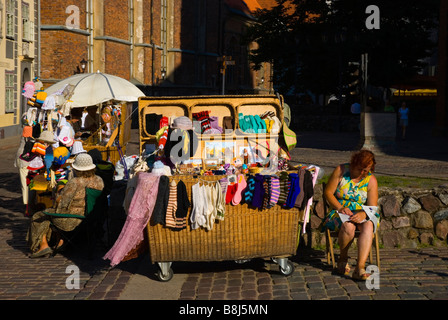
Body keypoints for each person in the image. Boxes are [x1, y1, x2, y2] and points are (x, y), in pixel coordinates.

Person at [26, 153, 104, 258]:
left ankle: (43, 245)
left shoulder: (75, 182)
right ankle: (60, 242)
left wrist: (59, 191)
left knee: (39, 215)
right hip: (92, 218)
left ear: (77, 169)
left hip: (73, 219)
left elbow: (61, 203)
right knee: (50, 213)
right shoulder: (99, 180)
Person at [321, 149, 379, 281]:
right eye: (361, 169)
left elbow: (372, 206)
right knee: (348, 226)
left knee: (369, 225)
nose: (364, 173)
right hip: (339, 210)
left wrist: (364, 214)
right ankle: (343, 258)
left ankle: (360, 268)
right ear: (353, 164)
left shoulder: (370, 180)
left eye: (367, 170)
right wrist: (341, 208)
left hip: (363, 212)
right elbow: (328, 193)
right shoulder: (341, 171)